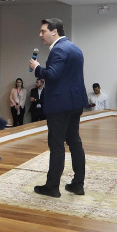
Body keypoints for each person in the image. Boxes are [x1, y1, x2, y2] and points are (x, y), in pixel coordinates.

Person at [30, 18, 88, 198]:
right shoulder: (74, 48)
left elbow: (52, 75)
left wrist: (37, 68)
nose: (40, 34)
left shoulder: (59, 49)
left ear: (54, 31)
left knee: (56, 145)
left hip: (60, 105)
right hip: (75, 103)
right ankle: (78, 184)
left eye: (43, 31)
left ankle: (52, 186)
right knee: (74, 142)